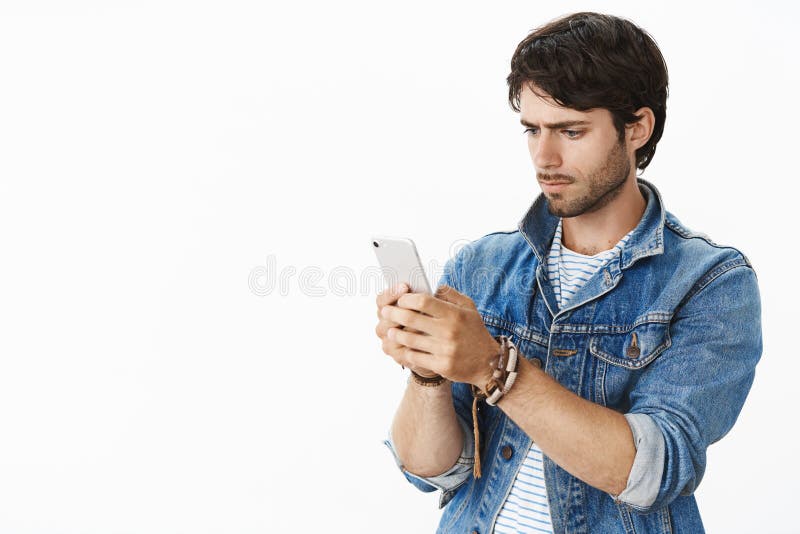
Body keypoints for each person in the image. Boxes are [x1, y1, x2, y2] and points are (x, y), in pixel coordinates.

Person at [374, 11, 762, 534]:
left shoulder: (711, 282)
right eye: (532, 129)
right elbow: (436, 470)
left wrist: (494, 367)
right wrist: (428, 374)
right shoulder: (483, 264)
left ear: (637, 128)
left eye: (570, 131)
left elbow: (652, 471)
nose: (544, 156)